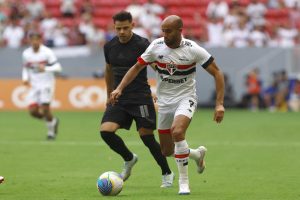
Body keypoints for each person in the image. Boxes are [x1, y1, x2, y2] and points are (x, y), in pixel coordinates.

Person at [110, 15, 225, 195]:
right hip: (164, 102)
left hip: (186, 98)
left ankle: (184, 183)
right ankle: (196, 155)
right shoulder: (156, 46)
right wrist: (119, 88)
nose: (165, 34)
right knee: (166, 150)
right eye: (163, 30)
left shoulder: (193, 49)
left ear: (180, 30)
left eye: (169, 31)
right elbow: (136, 67)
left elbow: (217, 73)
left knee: (177, 132)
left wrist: (219, 104)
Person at [100, 11, 174, 188]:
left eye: (126, 28)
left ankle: (166, 172)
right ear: (114, 27)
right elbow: (109, 70)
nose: (122, 32)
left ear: (132, 25)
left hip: (140, 97)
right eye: (119, 28)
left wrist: (160, 89)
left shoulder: (142, 44)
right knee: (106, 131)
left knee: (147, 137)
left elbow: (157, 67)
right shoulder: (109, 46)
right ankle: (129, 158)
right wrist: (108, 93)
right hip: (119, 98)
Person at [22, 32, 61, 140]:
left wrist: (46, 68)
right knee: (33, 112)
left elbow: (58, 67)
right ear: (29, 41)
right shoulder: (26, 53)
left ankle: (50, 133)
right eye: (32, 40)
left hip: (46, 84)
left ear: (40, 41)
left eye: (37, 40)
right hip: (34, 85)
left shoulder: (47, 52)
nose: (35, 42)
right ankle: (53, 121)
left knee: (44, 109)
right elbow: (25, 68)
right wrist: (25, 78)